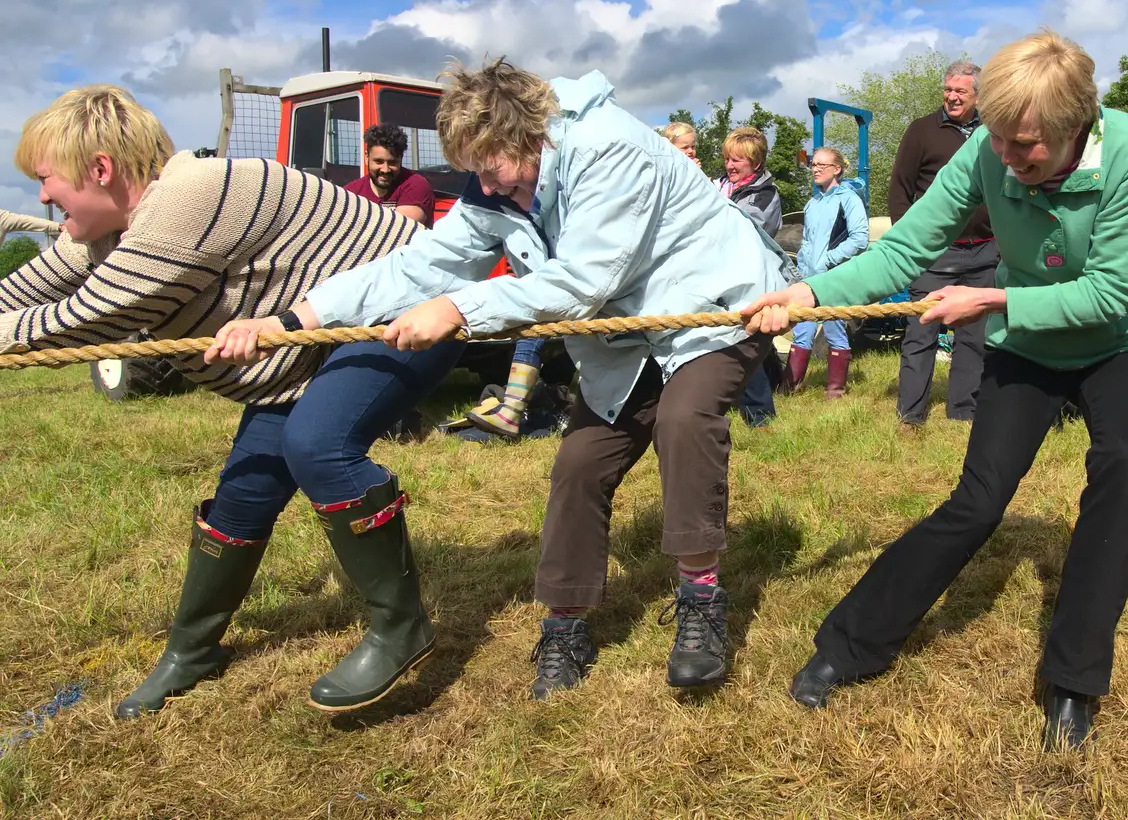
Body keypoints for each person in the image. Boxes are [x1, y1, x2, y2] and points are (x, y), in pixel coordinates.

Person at [211, 59, 791, 697]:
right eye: (476, 171)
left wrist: (458, 307)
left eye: (494, 168)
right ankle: (566, 622)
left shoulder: (611, 149)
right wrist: (295, 317)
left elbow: (582, 281)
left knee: (685, 421)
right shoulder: (494, 183)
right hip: (624, 338)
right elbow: (420, 263)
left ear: (532, 137)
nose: (487, 185)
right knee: (578, 464)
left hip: (714, 307)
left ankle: (701, 601)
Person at [744, 30, 1128, 751]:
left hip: (1118, 338)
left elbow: (1109, 290)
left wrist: (993, 303)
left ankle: (1074, 681)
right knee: (977, 499)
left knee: (1125, 471)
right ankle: (849, 645)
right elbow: (907, 249)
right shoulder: (986, 149)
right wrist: (809, 291)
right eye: (998, 140)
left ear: (1076, 127)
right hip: (1027, 343)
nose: (1005, 158)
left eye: (1026, 146)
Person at [0, 85, 445, 719]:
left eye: (47, 180)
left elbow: (89, 317)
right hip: (301, 351)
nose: (41, 197)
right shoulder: (113, 226)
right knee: (243, 494)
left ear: (100, 170)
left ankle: (402, 627)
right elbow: (28, 289)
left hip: (406, 315)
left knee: (316, 444)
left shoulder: (189, 202)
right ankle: (192, 651)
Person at [887, 59, 995, 430]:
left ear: (977, 96)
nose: (951, 97)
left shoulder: (992, 131)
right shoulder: (921, 131)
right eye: (948, 90)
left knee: (974, 336)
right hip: (934, 254)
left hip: (985, 251)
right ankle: (910, 415)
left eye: (960, 91)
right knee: (921, 333)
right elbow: (900, 189)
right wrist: (910, 243)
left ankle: (963, 411)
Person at [786, 147, 869, 396]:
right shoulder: (812, 203)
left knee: (834, 329)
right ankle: (789, 388)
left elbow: (860, 238)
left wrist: (829, 261)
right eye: (814, 164)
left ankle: (835, 390)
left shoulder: (849, 199)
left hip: (833, 276)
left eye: (823, 165)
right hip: (809, 278)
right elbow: (807, 242)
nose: (816, 168)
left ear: (837, 169)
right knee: (802, 329)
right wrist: (802, 270)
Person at [716, 127, 784, 426]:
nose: (730, 166)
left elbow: (744, 229)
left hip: (750, 280)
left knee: (744, 343)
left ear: (755, 164)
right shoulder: (719, 186)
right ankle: (778, 384)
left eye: (738, 161)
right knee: (755, 345)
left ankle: (760, 418)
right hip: (721, 277)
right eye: (728, 159)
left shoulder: (764, 194)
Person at [344, 122, 437, 228]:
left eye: (392, 163)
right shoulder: (351, 193)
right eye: (379, 161)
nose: (385, 169)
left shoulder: (415, 185)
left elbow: (399, 231)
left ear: (401, 159)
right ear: (366, 157)